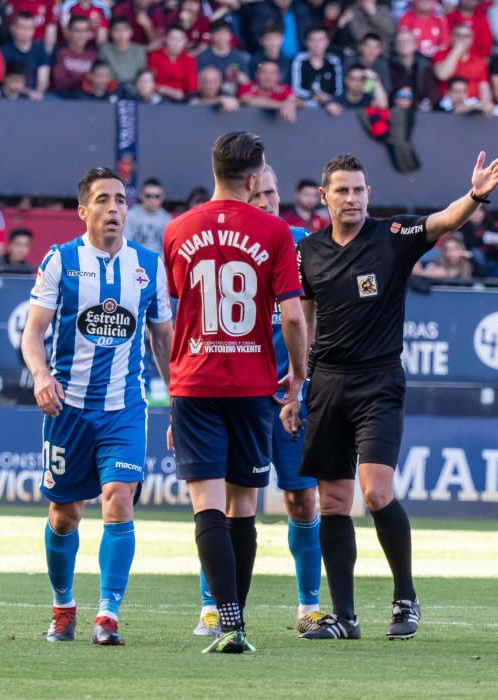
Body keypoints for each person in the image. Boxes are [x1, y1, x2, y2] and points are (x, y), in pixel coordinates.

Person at [296, 150, 498, 640]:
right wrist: (298, 379)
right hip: (326, 382)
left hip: (378, 382)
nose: (351, 198)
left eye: (359, 189)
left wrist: (475, 194)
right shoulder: (307, 252)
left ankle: (405, 598)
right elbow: (304, 318)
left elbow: (444, 220)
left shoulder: (393, 237)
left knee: (375, 492)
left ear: (369, 192)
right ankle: (344, 618)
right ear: (324, 197)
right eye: (342, 190)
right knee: (331, 501)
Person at [163, 131, 308, 654]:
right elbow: (292, 314)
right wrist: (297, 372)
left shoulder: (177, 230)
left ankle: (226, 621)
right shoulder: (275, 232)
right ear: (254, 179)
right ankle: (236, 622)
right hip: (253, 387)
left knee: (206, 504)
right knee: (243, 507)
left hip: (195, 382)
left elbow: (180, 311)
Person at [21, 167, 173, 647]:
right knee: (64, 514)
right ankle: (63, 605)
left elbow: (163, 339)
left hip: (124, 409)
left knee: (119, 499)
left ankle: (107, 614)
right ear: (83, 210)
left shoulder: (149, 265)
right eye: (104, 200)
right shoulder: (60, 260)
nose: (115, 208)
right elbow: (33, 333)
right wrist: (42, 376)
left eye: (121, 200)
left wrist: (181, 401)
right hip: (67, 410)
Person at [191, 163, 326, 638]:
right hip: (236, 391)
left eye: (273, 192)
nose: (267, 201)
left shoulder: (299, 242)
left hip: (290, 392)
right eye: (260, 193)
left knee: (302, 499)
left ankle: (308, 606)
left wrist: (304, 374)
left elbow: (310, 311)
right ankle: (213, 605)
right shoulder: (222, 245)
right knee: (230, 503)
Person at [290, 27, 343, 108]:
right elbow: (295, 88)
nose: (317, 44)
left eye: (321, 40)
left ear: (327, 42)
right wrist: (313, 96)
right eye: (313, 40)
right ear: (306, 42)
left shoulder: (334, 61)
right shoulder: (299, 59)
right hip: (304, 105)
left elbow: (339, 90)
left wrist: (328, 98)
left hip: (331, 104)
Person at [1, 11, 50, 98]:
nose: (25, 31)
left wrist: (37, 94)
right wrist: (26, 92)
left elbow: (43, 79)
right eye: (22, 27)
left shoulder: (40, 49)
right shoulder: (5, 50)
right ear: (14, 28)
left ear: (33, 30)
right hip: (10, 94)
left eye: (29, 28)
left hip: (36, 96)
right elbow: (3, 79)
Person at [51, 15, 96, 97]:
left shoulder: (93, 55)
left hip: (88, 100)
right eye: (77, 31)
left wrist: (72, 76)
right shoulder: (60, 52)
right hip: (62, 98)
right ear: (69, 32)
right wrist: (85, 79)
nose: (81, 35)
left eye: (85, 31)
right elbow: (59, 82)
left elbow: (97, 83)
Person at [124, 178, 171, 256]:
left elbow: (168, 249)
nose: (152, 200)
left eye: (157, 196)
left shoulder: (167, 219)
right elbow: (126, 244)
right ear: (141, 195)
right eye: (148, 196)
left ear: (163, 197)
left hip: (159, 261)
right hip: (135, 259)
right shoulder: (130, 215)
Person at [99, 16, 147, 90]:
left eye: (124, 30)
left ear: (131, 32)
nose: (121, 34)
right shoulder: (105, 50)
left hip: (135, 91)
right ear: (110, 33)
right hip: (111, 90)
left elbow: (142, 75)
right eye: (116, 30)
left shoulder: (139, 51)